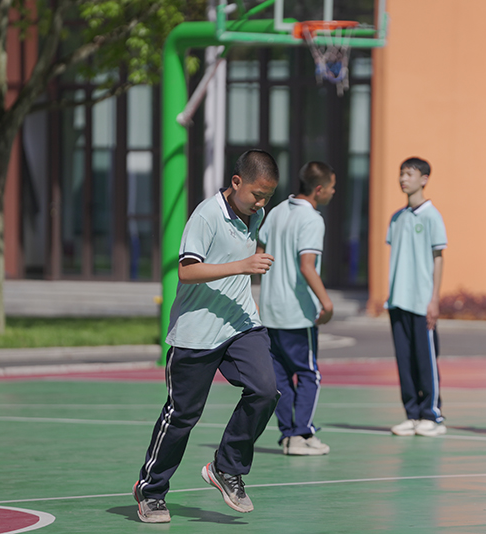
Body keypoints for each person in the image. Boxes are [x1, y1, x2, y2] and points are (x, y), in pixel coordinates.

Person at [133, 149, 281, 523]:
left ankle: (226, 467)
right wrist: (242, 266)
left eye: (267, 197)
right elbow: (187, 271)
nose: (261, 203)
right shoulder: (206, 215)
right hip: (196, 332)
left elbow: (241, 257)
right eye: (257, 195)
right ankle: (151, 490)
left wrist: (247, 280)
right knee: (182, 416)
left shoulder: (256, 215)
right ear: (236, 182)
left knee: (266, 390)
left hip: (240, 325)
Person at [257, 161, 337, 456]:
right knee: (307, 375)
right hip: (297, 314)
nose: (333, 192)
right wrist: (326, 303)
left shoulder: (277, 211)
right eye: (332, 187)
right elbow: (307, 266)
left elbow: (259, 254)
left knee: (280, 379)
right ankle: (301, 433)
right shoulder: (312, 220)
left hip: (270, 311)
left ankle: (290, 435)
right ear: (319, 189)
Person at [386, 157, 448, 437]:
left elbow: (438, 258)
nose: (403, 179)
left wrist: (434, 298)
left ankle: (432, 415)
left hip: (422, 302)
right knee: (405, 361)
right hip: (397, 300)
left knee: (426, 360)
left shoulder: (432, 216)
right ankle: (412, 415)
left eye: (409, 174)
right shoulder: (396, 218)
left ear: (424, 179)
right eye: (401, 173)